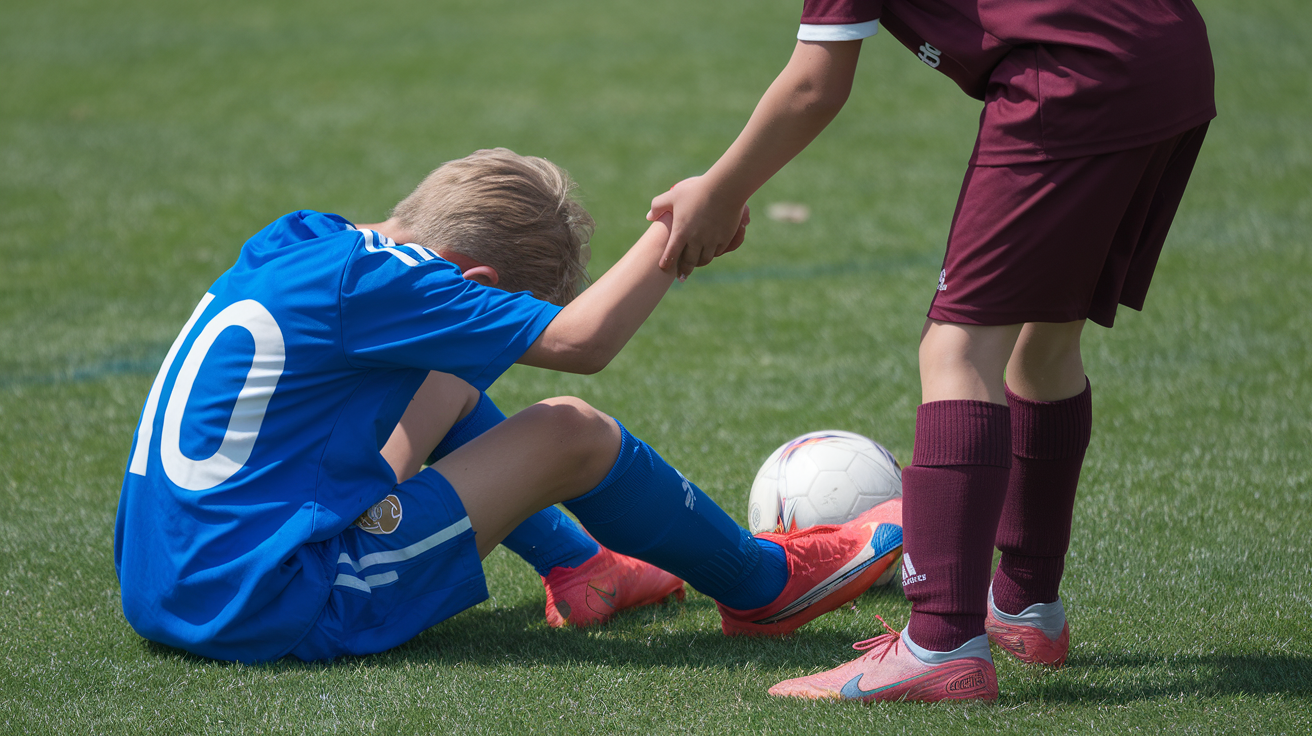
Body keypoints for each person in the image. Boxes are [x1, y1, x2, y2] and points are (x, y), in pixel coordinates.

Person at [113, 148, 905, 664]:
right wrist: (678, 235)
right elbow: (586, 344)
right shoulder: (402, 286)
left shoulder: (305, 241)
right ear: (477, 282)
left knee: (447, 374)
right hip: (267, 601)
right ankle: (764, 586)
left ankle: (582, 568)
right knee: (570, 431)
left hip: (172, 577)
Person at [646, 0, 1214, 703]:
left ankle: (941, 643)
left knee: (957, 347)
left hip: (1072, 78)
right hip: (1168, 55)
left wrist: (719, 192)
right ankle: (1025, 605)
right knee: (1046, 337)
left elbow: (814, 83)